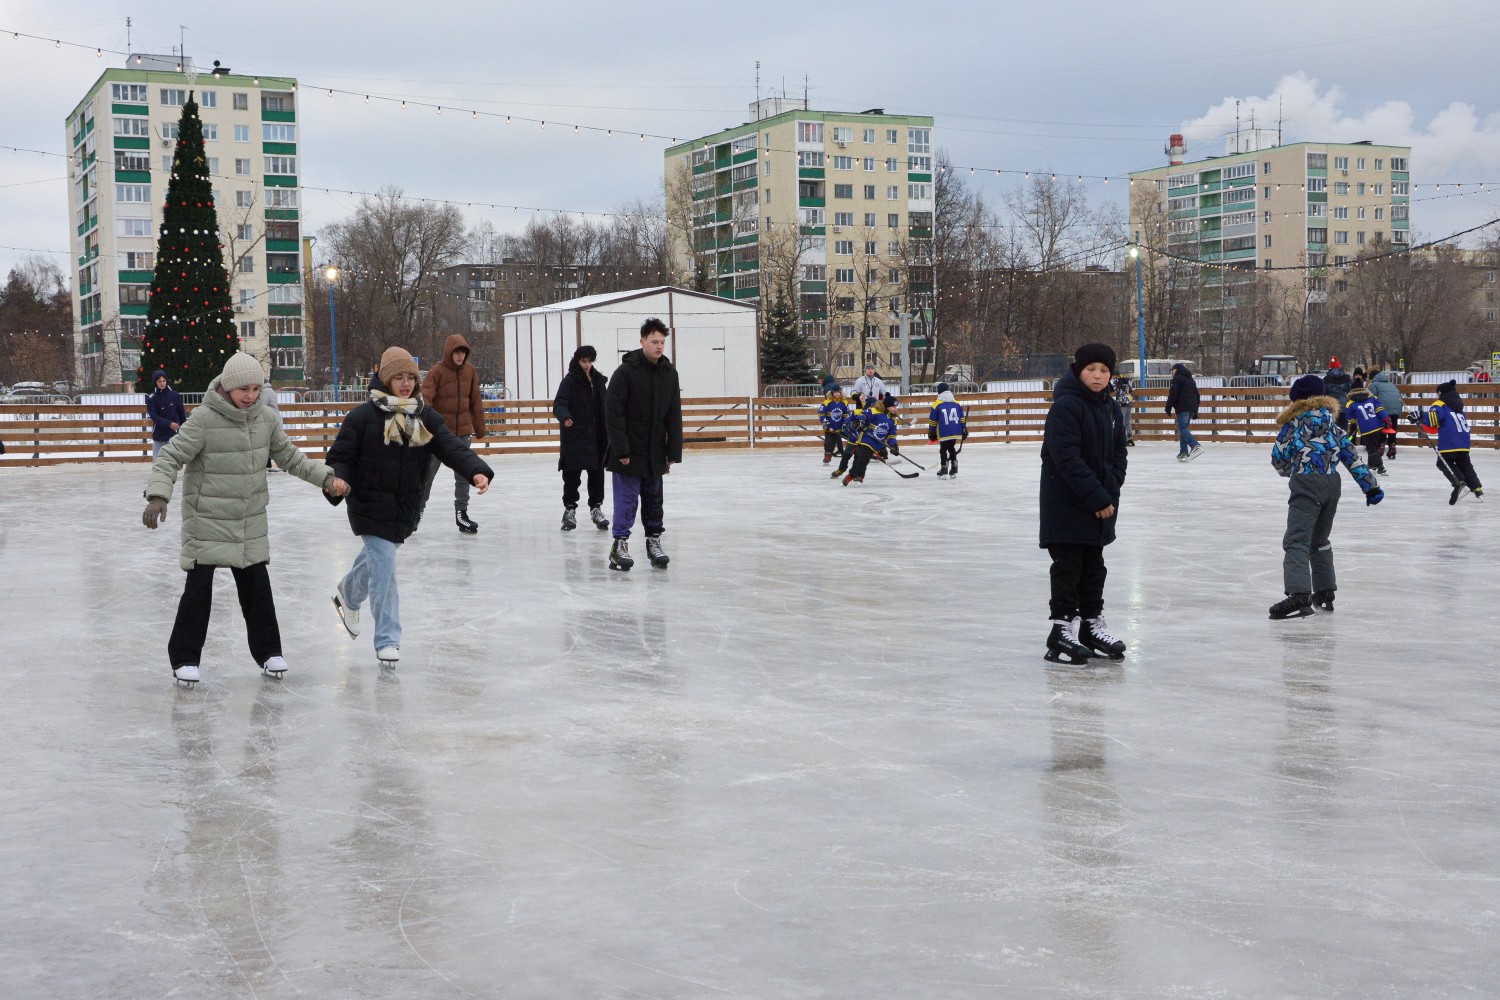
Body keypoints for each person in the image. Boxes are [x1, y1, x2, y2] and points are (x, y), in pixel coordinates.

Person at [141, 352, 347, 686]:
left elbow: (291, 458)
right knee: (198, 590)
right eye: (243, 389)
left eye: (256, 388)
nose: (250, 395)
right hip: (206, 519)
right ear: (227, 386)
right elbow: (170, 456)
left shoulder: (265, 419)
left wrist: (326, 477)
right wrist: (158, 494)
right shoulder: (204, 419)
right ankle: (185, 659)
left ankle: (269, 653)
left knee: (257, 588)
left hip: (248, 519)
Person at [326, 347, 494, 666]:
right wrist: (338, 481)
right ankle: (388, 638)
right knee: (385, 567)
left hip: (404, 506)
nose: (405, 384)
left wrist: (476, 470)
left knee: (378, 560)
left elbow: (451, 446)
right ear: (385, 379)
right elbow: (340, 457)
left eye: (410, 378)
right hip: (369, 504)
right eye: (398, 378)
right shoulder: (362, 418)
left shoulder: (425, 417)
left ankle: (348, 593)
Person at [1039, 343, 1129, 665]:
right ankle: (1061, 630)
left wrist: (1112, 486)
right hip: (1067, 504)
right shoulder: (1066, 406)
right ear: (1078, 370)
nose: (1098, 375)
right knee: (1069, 567)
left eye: (1104, 370)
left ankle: (1091, 625)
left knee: (1094, 567)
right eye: (1091, 369)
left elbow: (1120, 453)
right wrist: (1097, 495)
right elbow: (1066, 458)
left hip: (1099, 504)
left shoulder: (1110, 408)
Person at [1269, 374, 1383, 620]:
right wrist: (1370, 486)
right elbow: (1352, 456)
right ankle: (1324, 591)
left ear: (1297, 400)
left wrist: (1289, 470)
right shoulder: (1333, 424)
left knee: (1296, 540)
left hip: (1306, 483)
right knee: (1319, 539)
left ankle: (1299, 594)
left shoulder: (1295, 423)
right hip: (1332, 485)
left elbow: (1278, 457)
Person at [605, 317, 683, 572]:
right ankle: (620, 546)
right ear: (642, 341)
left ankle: (654, 542)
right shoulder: (625, 372)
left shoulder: (669, 373)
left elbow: (674, 414)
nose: (659, 346)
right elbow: (613, 413)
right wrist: (621, 449)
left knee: (654, 500)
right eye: (654, 342)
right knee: (626, 501)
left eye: (662, 342)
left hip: (654, 452)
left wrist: (673, 450)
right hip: (628, 450)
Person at [420, 334, 489, 534]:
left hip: (462, 433)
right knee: (427, 475)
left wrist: (479, 428)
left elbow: (475, 400)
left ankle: (462, 514)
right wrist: (430, 425)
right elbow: (426, 398)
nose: (460, 356)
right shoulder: (437, 371)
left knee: (464, 475)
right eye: (456, 352)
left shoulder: (470, 371)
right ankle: (417, 510)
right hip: (439, 435)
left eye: (463, 352)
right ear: (449, 352)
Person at [553, 344, 610, 531]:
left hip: (596, 438)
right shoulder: (570, 381)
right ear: (578, 360)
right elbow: (559, 403)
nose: (586, 365)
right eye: (583, 361)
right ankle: (569, 510)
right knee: (571, 476)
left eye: (589, 361)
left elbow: (608, 404)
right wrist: (565, 416)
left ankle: (596, 509)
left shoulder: (599, 381)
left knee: (596, 475)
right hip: (576, 436)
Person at [1420, 379, 1484, 504]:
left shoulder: (1440, 404)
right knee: (1464, 464)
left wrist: (1420, 415)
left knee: (1443, 462)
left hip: (1450, 441)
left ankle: (1459, 482)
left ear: (1440, 393)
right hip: (1464, 441)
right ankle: (1476, 488)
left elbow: (1433, 419)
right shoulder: (1459, 406)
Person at [842, 393, 901, 485]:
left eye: (896, 407)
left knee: (859, 458)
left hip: (877, 444)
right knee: (863, 456)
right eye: (893, 406)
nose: (895, 408)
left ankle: (851, 475)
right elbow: (863, 415)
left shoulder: (893, 420)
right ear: (887, 406)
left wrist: (894, 445)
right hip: (866, 439)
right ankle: (859, 476)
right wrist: (861, 422)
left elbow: (891, 435)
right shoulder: (875, 411)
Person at [1344, 377, 1388, 474]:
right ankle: (1371, 465)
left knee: (1371, 448)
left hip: (1366, 429)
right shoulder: (1373, 398)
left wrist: (1356, 420)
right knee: (1374, 446)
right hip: (1378, 426)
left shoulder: (1350, 404)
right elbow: (1380, 410)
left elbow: (1350, 419)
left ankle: (1380, 466)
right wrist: (1386, 419)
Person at [927, 382, 967, 478]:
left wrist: (932, 432)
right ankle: (954, 467)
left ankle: (944, 469)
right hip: (955, 431)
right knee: (951, 448)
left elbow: (933, 420)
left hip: (944, 431)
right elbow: (962, 418)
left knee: (943, 450)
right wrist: (964, 429)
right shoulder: (956, 403)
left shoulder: (936, 404)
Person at [145, 368, 186, 460]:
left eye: (164, 381)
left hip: (173, 435)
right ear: (155, 382)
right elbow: (154, 416)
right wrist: (169, 423)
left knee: (173, 460)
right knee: (158, 460)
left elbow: (181, 414)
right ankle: (158, 474)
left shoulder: (175, 396)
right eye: (159, 381)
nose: (162, 383)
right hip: (159, 434)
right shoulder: (152, 398)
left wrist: (183, 429)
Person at [1164, 362, 1202, 461]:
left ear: (1175, 370)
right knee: (1184, 428)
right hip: (1191, 408)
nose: (1171, 373)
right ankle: (1183, 452)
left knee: (1182, 428)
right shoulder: (1191, 380)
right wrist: (1195, 410)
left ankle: (1195, 446)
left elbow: (1173, 394)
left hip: (1183, 407)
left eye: (1172, 370)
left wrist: (1168, 407)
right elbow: (1197, 395)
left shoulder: (1176, 379)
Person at [1368, 368, 1404, 460]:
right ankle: (1392, 445)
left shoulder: (1373, 385)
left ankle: (1381, 444)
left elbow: (1370, 398)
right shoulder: (1391, 384)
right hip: (1395, 409)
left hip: (1383, 409)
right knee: (1392, 427)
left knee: (1381, 427)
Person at [831, 391, 865, 479]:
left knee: (858, 459)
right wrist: (846, 424)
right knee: (846, 456)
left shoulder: (873, 415)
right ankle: (841, 469)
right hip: (853, 438)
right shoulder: (857, 411)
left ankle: (853, 474)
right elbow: (849, 418)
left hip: (863, 441)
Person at [817, 377, 850, 465]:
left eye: (838, 392)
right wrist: (825, 422)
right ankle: (828, 455)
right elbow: (821, 413)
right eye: (835, 392)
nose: (837, 394)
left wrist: (845, 423)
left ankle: (843, 453)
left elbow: (846, 414)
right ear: (832, 393)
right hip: (829, 428)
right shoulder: (827, 402)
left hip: (839, 428)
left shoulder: (844, 402)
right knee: (829, 442)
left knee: (840, 440)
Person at [1113, 376, 1135, 446]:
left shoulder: (1118, 384)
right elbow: (1131, 391)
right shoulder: (1127, 384)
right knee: (1127, 421)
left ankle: (1122, 437)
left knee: (1121, 421)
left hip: (1122, 403)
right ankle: (1130, 437)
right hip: (1129, 403)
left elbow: (1112, 389)